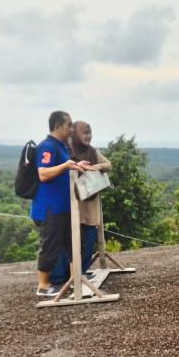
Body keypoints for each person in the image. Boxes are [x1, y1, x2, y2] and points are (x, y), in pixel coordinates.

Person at [31, 111, 89, 296]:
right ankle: (43, 286)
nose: (71, 129)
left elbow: (65, 169)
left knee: (73, 244)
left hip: (64, 206)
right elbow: (43, 173)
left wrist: (78, 166)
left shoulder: (61, 146)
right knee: (50, 246)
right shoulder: (47, 146)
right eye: (68, 125)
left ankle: (75, 280)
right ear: (57, 126)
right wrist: (66, 165)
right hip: (50, 207)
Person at [48, 121, 112, 286]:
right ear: (75, 134)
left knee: (89, 239)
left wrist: (96, 166)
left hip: (89, 206)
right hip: (72, 206)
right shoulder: (65, 152)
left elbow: (108, 165)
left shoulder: (91, 152)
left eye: (90, 133)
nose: (88, 136)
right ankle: (63, 278)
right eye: (84, 133)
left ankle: (82, 272)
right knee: (68, 242)